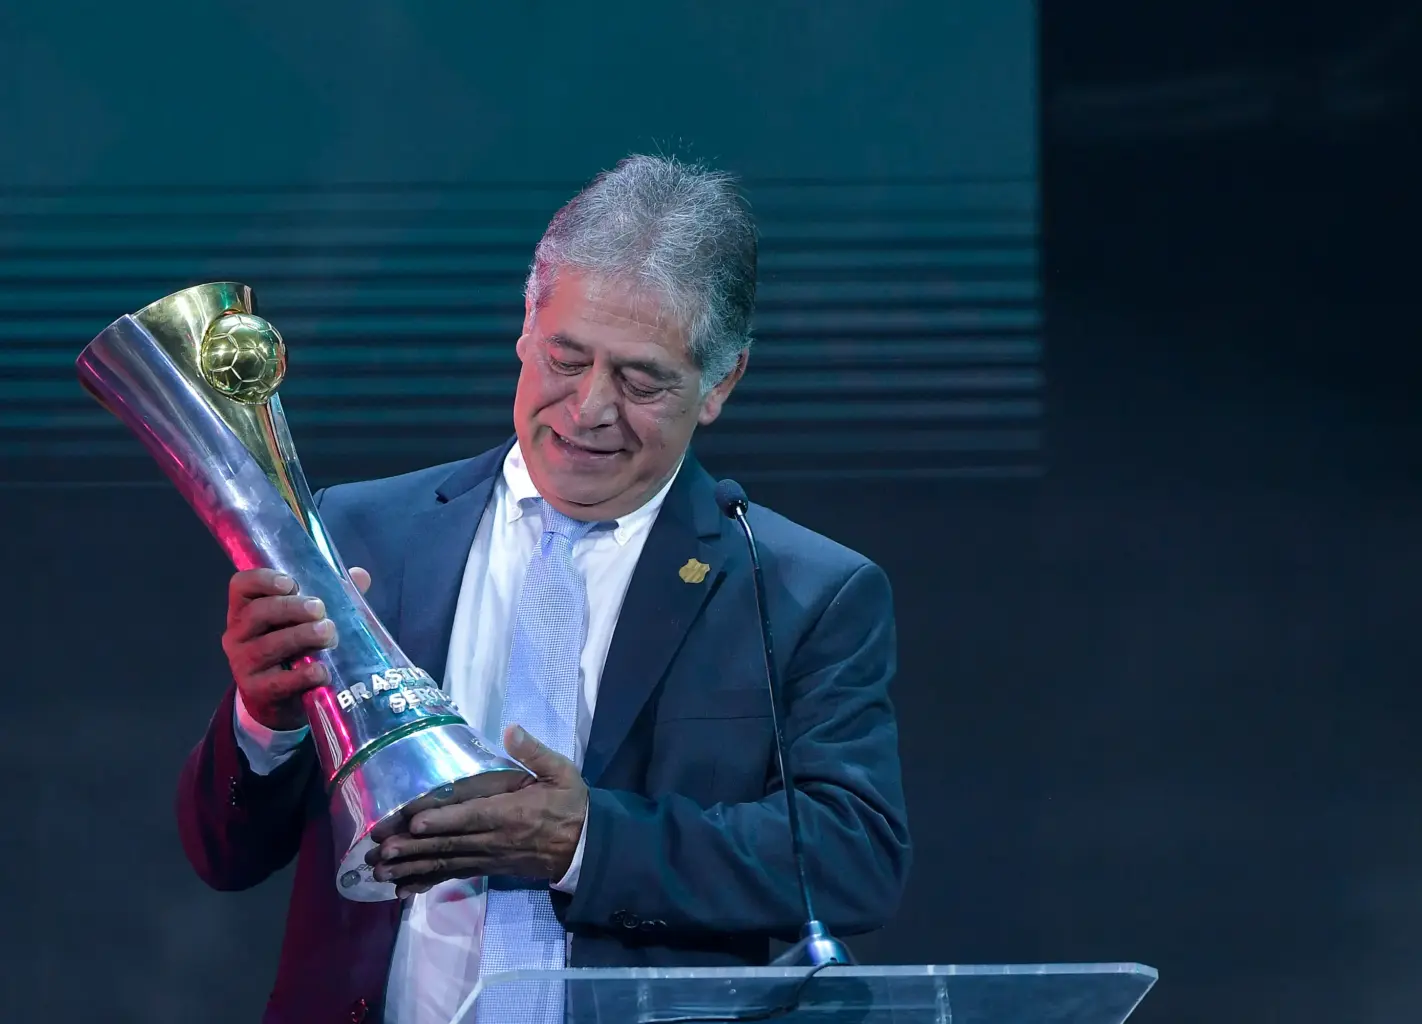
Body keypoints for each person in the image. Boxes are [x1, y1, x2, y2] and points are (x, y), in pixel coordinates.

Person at [176, 154, 911, 1024]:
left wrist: (587, 843)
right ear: (525, 327)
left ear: (720, 384)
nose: (589, 406)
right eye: (566, 358)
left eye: (641, 380)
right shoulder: (364, 534)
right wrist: (267, 723)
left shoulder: (799, 591)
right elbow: (225, 852)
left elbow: (851, 855)